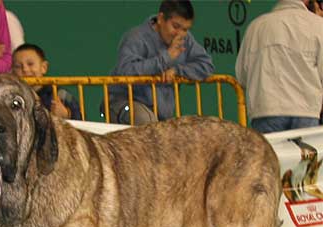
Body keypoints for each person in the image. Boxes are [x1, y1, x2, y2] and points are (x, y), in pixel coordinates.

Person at [105, 0, 214, 125]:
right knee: (148, 123)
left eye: (185, 29)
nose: (180, 34)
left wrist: (177, 70)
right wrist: (165, 58)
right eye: (176, 26)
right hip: (123, 102)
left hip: (161, 113)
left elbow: (207, 66)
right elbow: (125, 71)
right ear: (161, 18)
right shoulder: (136, 37)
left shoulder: (185, 40)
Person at [235, 0, 323, 133]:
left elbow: (241, 75)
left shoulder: (256, 27)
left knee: (269, 154)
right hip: (306, 111)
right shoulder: (318, 25)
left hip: (265, 110)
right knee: (304, 154)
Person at [12, 43, 82, 120]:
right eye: (17, 66)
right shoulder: (12, 97)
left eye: (30, 64)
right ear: (12, 71)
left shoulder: (60, 94)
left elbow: (82, 122)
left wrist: (67, 115)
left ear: (44, 67)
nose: (25, 69)